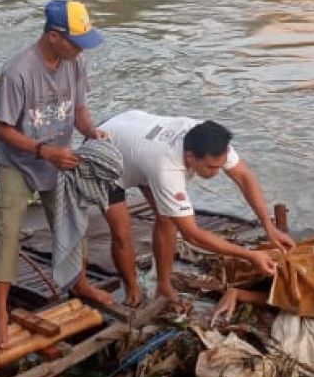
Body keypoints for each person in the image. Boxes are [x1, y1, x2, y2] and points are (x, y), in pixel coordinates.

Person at [0, 0, 110, 351]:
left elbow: (80, 110)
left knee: (73, 223)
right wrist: (43, 151)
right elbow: (3, 130)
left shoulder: (75, 62)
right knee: (8, 233)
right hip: (20, 161)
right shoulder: (17, 73)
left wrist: (92, 132)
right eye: (75, 41)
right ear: (54, 36)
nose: (80, 49)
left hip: (60, 158)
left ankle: (80, 283)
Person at [99, 110, 294, 309]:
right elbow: (192, 235)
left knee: (167, 219)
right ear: (191, 157)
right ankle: (132, 288)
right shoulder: (167, 169)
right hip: (104, 153)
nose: (218, 172)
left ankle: (163, 285)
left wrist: (269, 227)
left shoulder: (210, 139)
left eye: (221, 166)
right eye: (211, 167)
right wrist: (250, 255)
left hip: (132, 133)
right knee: (122, 233)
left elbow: (244, 177)